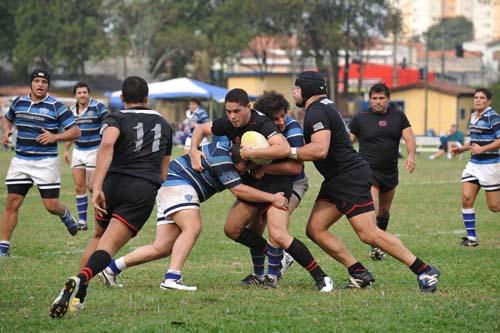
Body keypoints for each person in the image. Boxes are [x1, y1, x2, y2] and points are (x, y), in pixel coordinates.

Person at [291, 71, 440, 292]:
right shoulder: (324, 106)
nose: (293, 92)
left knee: (368, 233)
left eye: (296, 87)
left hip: (349, 176)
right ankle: (358, 272)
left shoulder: (317, 112)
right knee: (315, 228)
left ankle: (424, 269)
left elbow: (320, 150)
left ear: (307, 89)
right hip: (337, 179)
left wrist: (289, 151)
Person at [49, 76, 172, 319]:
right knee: (109, 246)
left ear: (123, 99)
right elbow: (163, 172)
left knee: (98, 235)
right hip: (141, 189)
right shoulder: (165, 124)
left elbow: (106, 146)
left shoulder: (116, 116)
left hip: (112, 184)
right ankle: (80, 279)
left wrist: (98, 183)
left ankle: (79, 294)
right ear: (147, 99)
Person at [189, 88, 333, 292]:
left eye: (236, 111)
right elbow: (201, 129)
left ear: (248, 107)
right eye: (228, 111)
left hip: (278, 185)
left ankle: (321, 277)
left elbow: (283, 148)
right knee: (232, 229)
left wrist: (252, 154)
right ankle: (272, 267)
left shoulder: (264, 123)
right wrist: (194, 149)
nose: (232, 116)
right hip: (255, 184)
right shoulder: (230, 122)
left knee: (279, 234)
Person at [100, 141, 288, 292]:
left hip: (169, 186)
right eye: (241, 169)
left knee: (162, 247)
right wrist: (273, 198)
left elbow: (206, 128)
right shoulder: (222, 159)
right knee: (193, 227)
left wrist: (194, 146)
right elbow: (239, 190)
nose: (241, 172)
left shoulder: (226, 146)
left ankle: (111, 269)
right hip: (178, 183)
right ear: (235, 159)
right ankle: (172, 278)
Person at [0, 69, 81, 258]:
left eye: (44, 82)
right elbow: (7, 118)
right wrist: (6, 132)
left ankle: (65, 214)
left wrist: (55, 136)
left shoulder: (56, 106)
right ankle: (3, 248)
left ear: (48, 85)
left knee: (51, 206)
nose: (40, 84)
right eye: (36, 81)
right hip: (20, 160)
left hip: (45, 162)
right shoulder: (19, 103)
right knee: (12, 202)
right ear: (31, 83)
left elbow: (75, 131)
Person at [241, 90, 309, 283]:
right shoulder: (259, 130)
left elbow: (296, 168)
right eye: (275, 118)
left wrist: (265, 169)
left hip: (295, 183)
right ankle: (258, 274)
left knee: (275, 226)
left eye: (283, 115)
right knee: (254, 226)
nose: (280, 121)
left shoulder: (293, 128)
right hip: (269, 183)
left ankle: (273, 275)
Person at [349, 83, 416, 260]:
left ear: (388, 99)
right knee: (374, 207)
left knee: (384, 211)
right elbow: (348, 142)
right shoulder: (360, 118)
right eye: (374, 98)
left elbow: (409, 137)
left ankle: (379, 243)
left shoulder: (398, 116)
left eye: (381, 98)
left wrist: (411, 156)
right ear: (369, 99)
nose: (378, 102)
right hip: (368, 170)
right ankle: (376, 245)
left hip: (390, 171)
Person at [451, 88, 500, 247]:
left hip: (491, 165)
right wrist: (463, 149)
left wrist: (483, 149)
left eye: (482, 98)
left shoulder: (493, 117)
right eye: (476, 97)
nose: (478, 100)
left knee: (494, 207)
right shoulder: (473, 117)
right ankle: (472, 239)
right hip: (474, 164)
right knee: (466, 198)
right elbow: (475, 141)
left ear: (488, 101)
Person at [63, 82, 108, 231]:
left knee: (92, 187)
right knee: (79, 187)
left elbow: (109, 123)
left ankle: (103, 215)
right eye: (79, 93)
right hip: (78, 151)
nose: (82, 95)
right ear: (75, 95)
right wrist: (66, 150)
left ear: (89, 94)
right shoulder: (71, 111)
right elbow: (71, 132)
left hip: (94, 150)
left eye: (84, 92)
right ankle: (82, 221)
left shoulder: (98, 107)